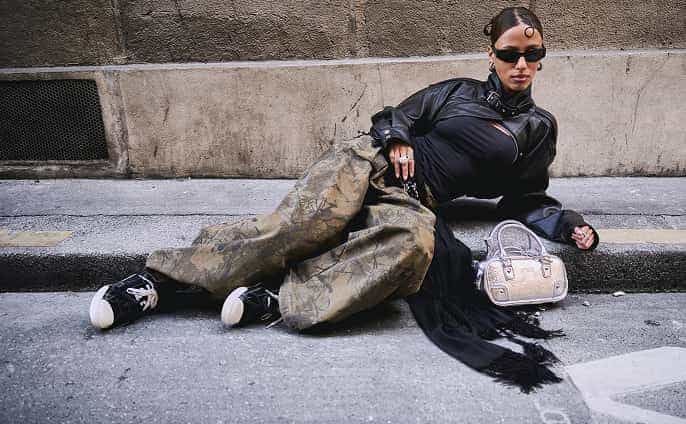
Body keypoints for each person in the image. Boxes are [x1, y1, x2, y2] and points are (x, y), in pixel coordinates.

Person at [89, 6, 598, 391]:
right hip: (367, 162)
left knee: (415, 247)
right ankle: (159, 283)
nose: (521, 64)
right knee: (304, 226)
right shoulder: (453, 91)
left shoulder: (538, 127)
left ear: (541, 59)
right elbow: (394, 116)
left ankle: (281, 300)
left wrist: (567, 225)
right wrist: (397, 139)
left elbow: (526, 198)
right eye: (509, 54)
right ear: (491, 55)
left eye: (532, 55)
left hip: (412, 199)